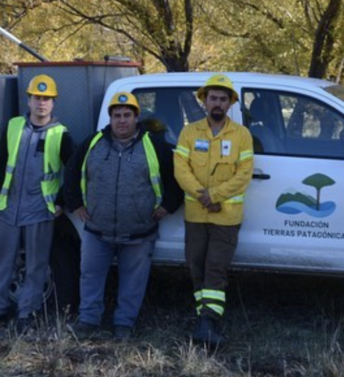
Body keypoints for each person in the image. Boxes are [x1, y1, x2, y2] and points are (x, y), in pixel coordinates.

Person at [65, 92, 182, 339]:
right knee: (90, 276)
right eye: (116, 115)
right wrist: (74, 203)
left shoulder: (155, 145)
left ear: (136, 117)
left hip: (139, 231)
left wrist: (168, 205)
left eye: (127, 115)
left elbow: (176, 178)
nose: (121, 120)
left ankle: (124, 324)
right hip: (97, 229)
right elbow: (72, 172)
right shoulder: (92, 143)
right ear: (110, 118)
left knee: (133, 281)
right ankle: (88, 320)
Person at [0, 75, 74, 330]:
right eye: (37, 98)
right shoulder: (13, 125)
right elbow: (0, 161)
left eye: (46, 99)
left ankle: (27, 313)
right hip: (8, 205)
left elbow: (73, 171)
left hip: (40, 208)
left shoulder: (61, 134)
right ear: (28, 100)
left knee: (37, 263)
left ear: (53, 103)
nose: (41, 103)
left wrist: (61, 202)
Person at [174, 74, 254, 346]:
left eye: (222, 99)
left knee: (216, 268)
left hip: (226, 217)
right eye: (213, 98)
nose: (217, 103)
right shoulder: (189, 133)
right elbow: (181, 169)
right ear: (204, 101)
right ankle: (204, 320)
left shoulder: (242, 135)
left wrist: (215, 195)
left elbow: (244, 174)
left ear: (230, 103)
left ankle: (209, 321)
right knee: (196, 266)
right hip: (196, 214)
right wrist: (204, 196)